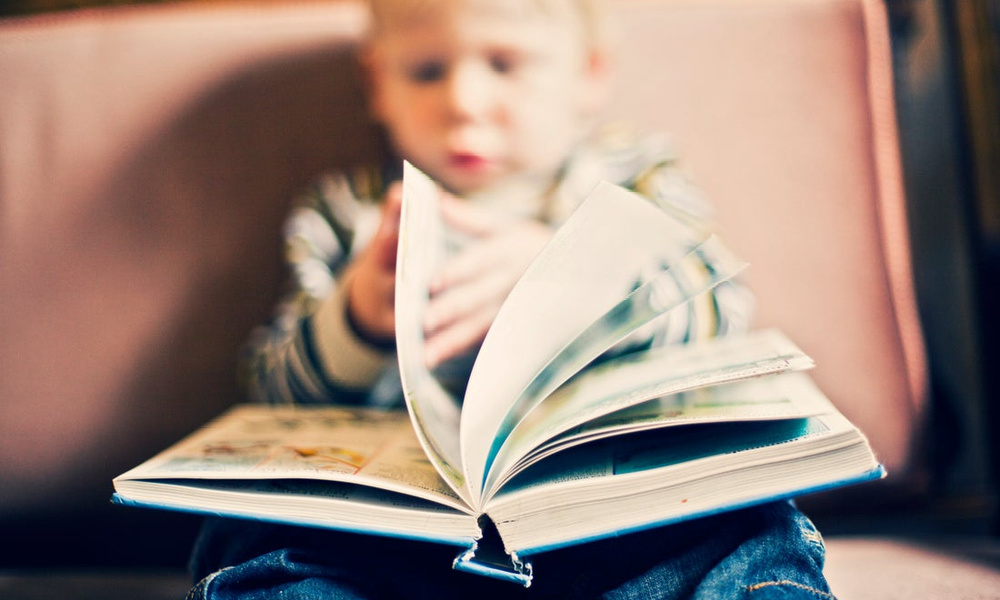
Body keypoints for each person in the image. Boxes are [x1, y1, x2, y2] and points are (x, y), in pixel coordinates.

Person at [187, 0, 834, 598]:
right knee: (253, 533)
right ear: (375, 84)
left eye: (505, 64)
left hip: (620, 520)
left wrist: (577, 279)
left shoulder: (634, 176)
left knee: (747, 521)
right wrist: (355, 320)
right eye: (426, 71)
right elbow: (271, 391)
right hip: (395, 538)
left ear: (589, 74)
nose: (464, 101)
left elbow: (720, 307)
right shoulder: (346, 211)